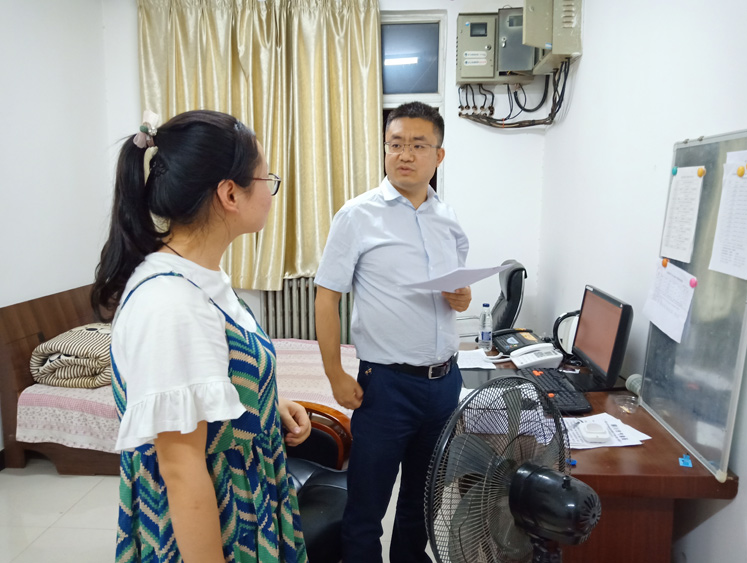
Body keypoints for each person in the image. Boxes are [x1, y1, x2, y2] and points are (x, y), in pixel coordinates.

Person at [92, 110, 310, 563]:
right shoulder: (171, 305)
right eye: (265, 179)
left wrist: (266, 404)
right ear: (229, 193)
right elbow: (180, 466)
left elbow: (211, 377)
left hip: (249, 499)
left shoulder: (201, 277)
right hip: (216, 523)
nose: (270, 192)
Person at [314, 101, 471, 563]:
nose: (405, 154)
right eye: (395, 144)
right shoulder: (357, 215)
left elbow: (455, 290)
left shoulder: (448, 218)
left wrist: (461, 298)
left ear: (438, 155)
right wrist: (335, 374)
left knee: (422, 503)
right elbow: (326, 297)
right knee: (367, 506)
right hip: (385, 386)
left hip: (444, 384)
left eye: (418, 145)